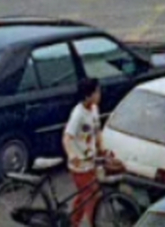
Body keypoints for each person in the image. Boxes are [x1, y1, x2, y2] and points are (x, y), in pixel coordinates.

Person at [63, 78, 106, 227]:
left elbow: (97, 130)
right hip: (79, 165)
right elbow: (67, 137)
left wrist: (103, 149)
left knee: (84, 196)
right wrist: (71, 154)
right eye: (97, 92)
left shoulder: (94, 109)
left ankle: (72, 222)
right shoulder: (78, 114)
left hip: (90, 161)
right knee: (92, 197)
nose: (99, 95)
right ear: (88, 95)